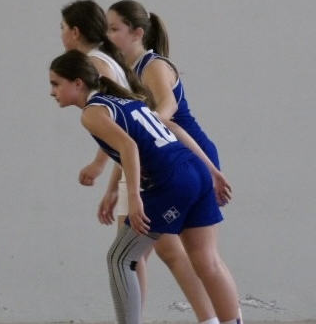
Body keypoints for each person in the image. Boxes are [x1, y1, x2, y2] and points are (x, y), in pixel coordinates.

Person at [49, 49, 242, 324]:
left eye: (56, 84)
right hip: (194, 170)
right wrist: (211, 171)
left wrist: (134, 197)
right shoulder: (127, 101)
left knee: (120, 259)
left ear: (78, 83)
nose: (52, 92)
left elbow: (128, 147)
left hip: (171, 181)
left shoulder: (92, 113)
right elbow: (172, 128)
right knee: (207, 261)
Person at [60, 0, 150, 306]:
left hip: (143, 168)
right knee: (135, 256)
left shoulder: (96, 64)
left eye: (62, 27)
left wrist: (99, 165)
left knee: (132, 257)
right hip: (136, 164)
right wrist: (113, 184)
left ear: (74, 31)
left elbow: (116, 122)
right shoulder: (102, 59)